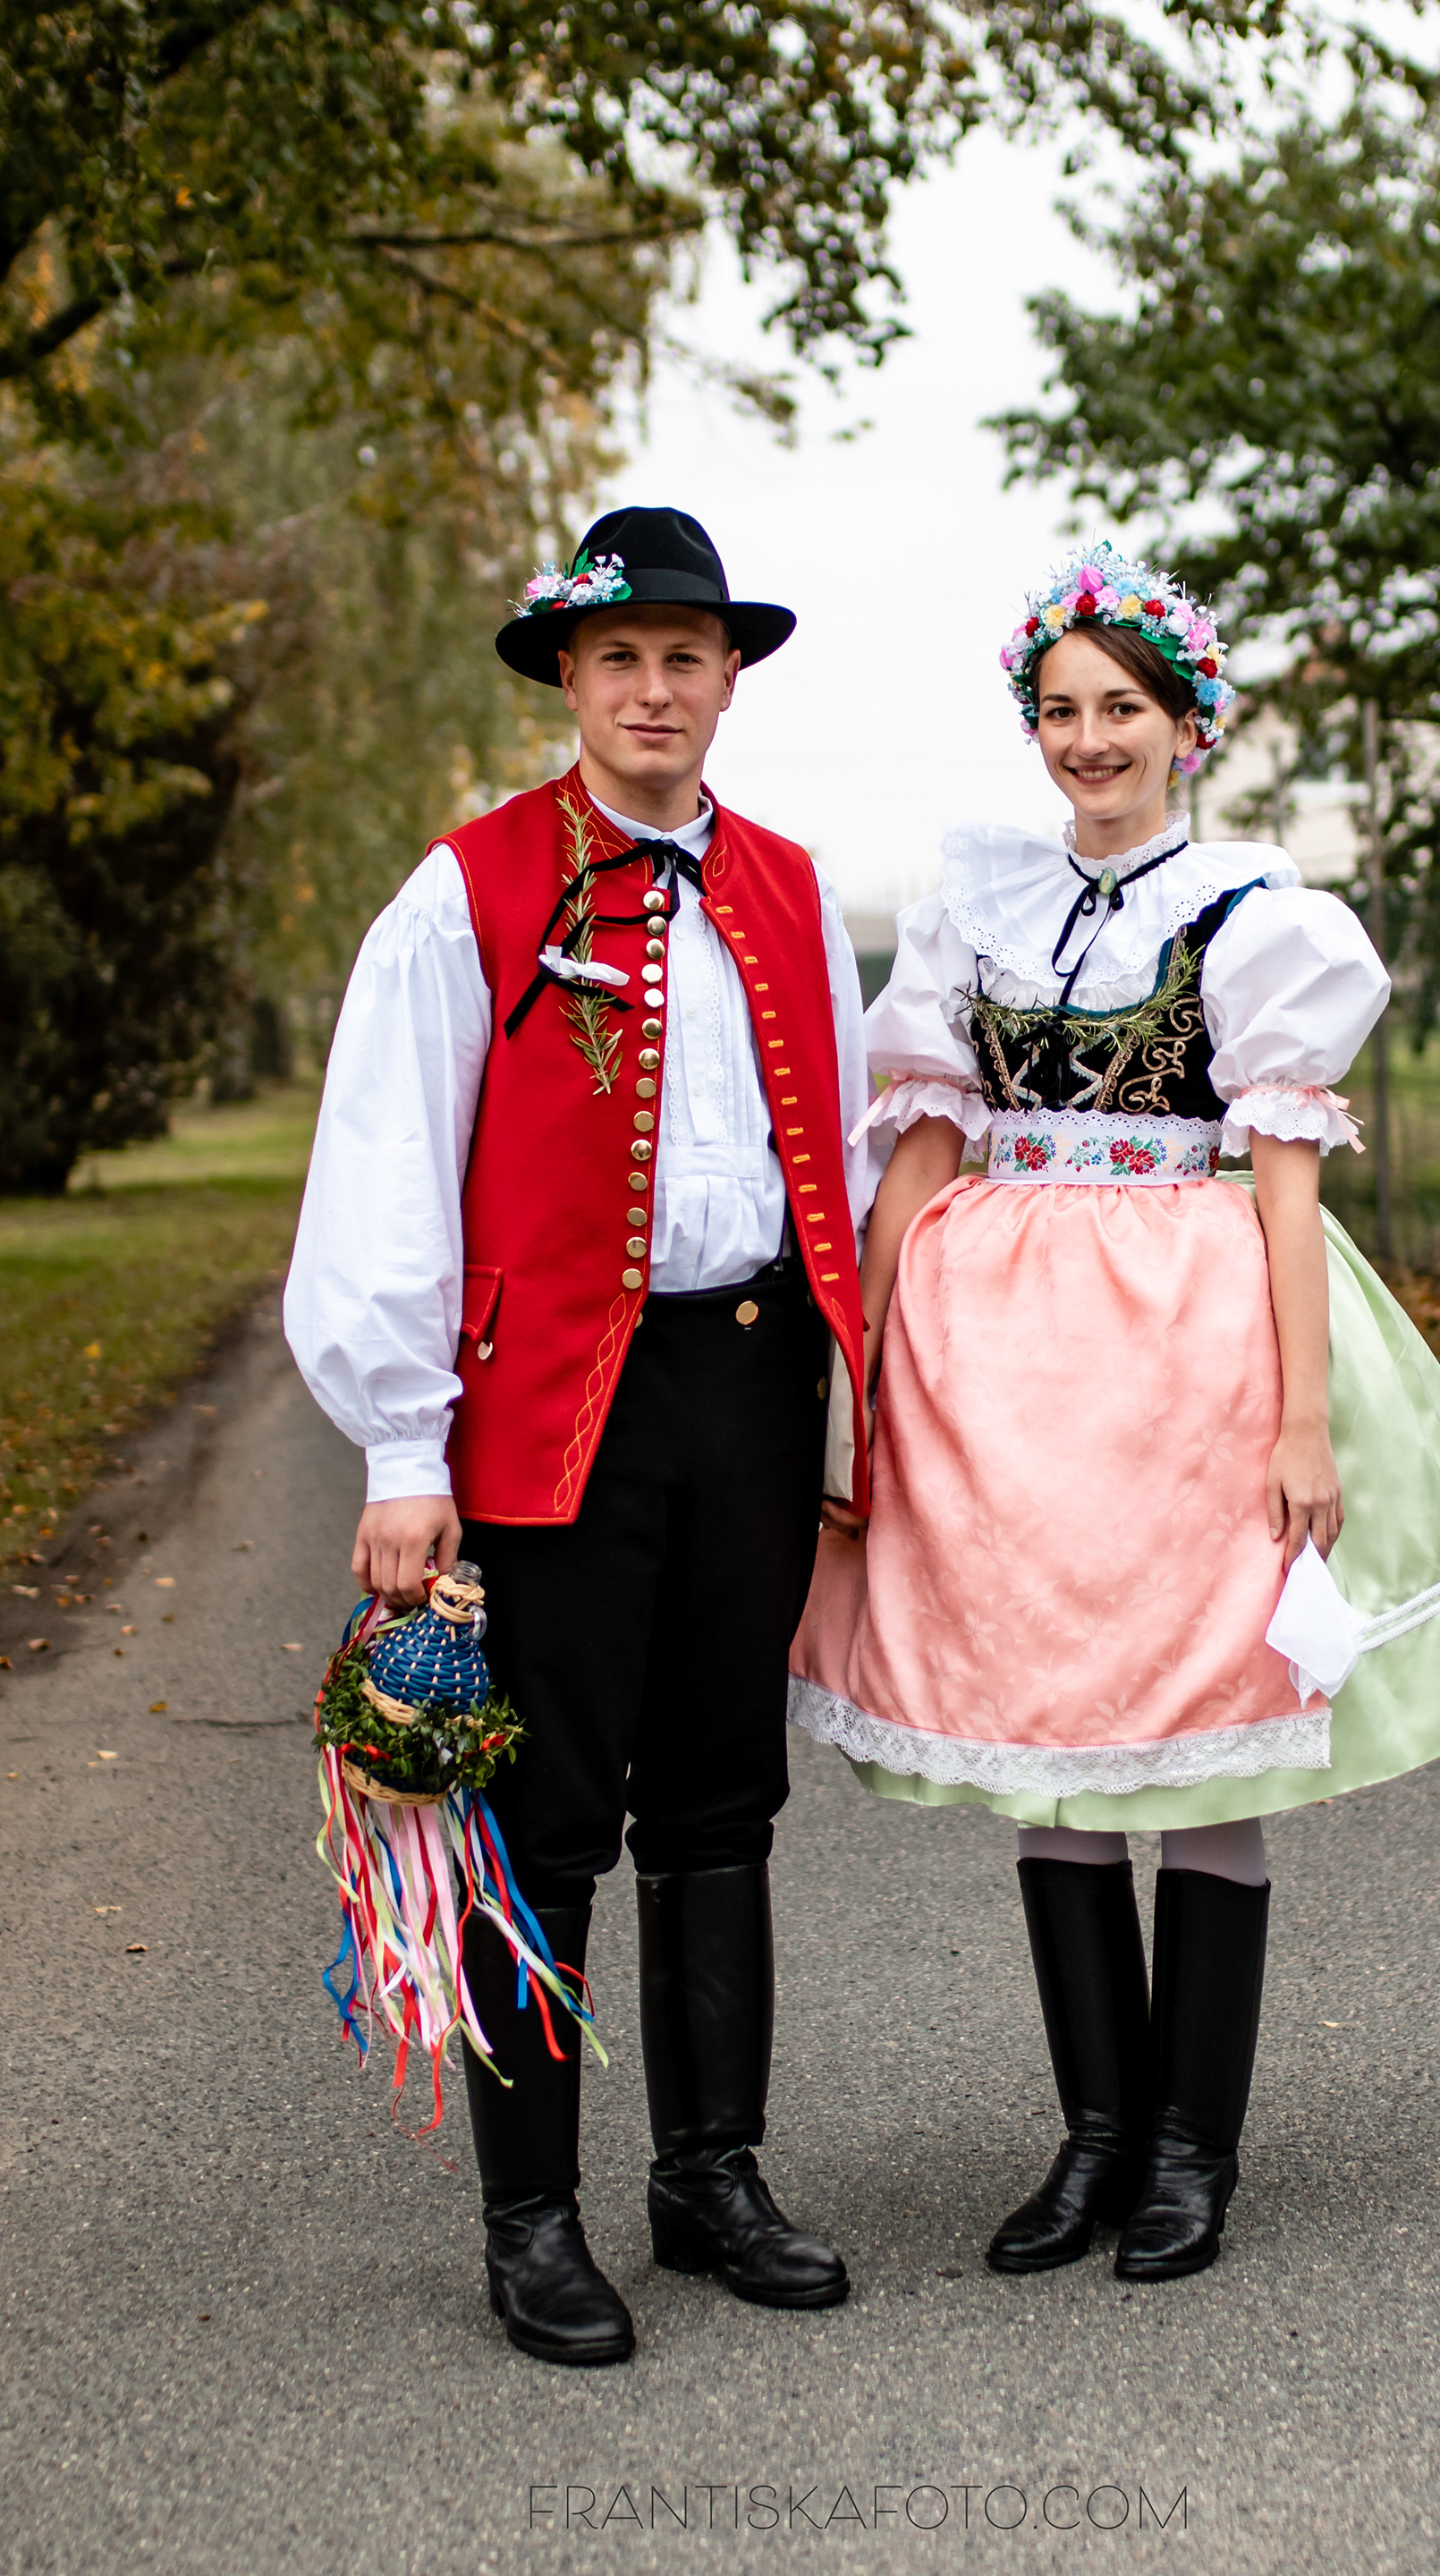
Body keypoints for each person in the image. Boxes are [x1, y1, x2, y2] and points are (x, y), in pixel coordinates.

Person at [791, 543, 1440, 2285]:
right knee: (1047, 1725)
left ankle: (1191, 2153)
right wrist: (860, 1354)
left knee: (1203, 1728)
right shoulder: (979, 903)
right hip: (997, 1358)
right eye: (1061, 710)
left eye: (1122, 708)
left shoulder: (1255, 916)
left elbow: (1283, 1185)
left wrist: (1302, 1419)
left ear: (1185, 723)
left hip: (1183, 1343)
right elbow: (923, 1147)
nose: (1089, 739)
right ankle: (1096, 2138)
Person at [285, 504, 873, 2367]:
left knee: (722, 1797)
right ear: (568, 676)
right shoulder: (463, 892)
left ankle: (710, 2178)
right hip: (553, 1407)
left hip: (751, 1385)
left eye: (686, 657)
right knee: (544, 1817)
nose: (654, 689)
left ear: (728, 681)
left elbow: (844, 1151)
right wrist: (403, 1451)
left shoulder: (790, 889)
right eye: (620, 658)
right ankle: (530, 2223)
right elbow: (386, 1172)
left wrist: (857, 1396)